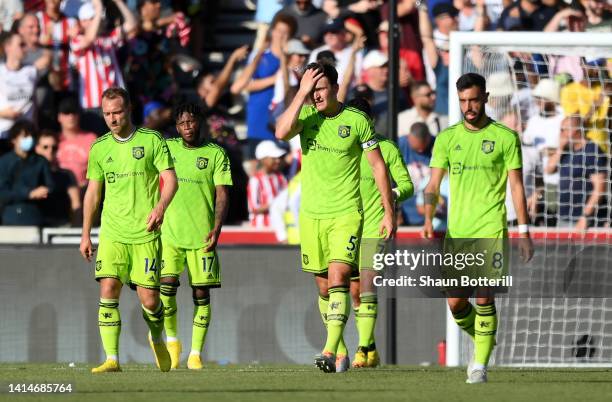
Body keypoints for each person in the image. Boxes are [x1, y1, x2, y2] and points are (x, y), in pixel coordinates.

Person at [275, 62, 395, 373]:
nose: (315, 95)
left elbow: (379, 167)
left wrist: (389, 212)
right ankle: (340, 351)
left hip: (346, 214)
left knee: (340, 277)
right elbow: (280, 131)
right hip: (312, 215)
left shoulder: (355, 121)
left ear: (336, 89)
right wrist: (300, 92)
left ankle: (328, 350)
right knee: (324, 287)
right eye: (311, 90)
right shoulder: (306, 116)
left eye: (320, 89)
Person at [423, 73, 534, 383]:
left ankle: (479, 365)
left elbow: (516, 187)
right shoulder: (447, 138)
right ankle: (485, 338)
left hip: (490, 227)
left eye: (473, 100)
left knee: (484, 297)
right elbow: (432, 183)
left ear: (485, 98)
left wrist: (523, 231)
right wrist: (428, 217)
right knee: (456, 302)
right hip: (457, 232)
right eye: (462, 101)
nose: (468, 107)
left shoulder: (505, 137)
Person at [79, 87, 178, 373]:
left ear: (129, 109)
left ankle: (157, 337)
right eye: (107, 113)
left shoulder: (152, 140)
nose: (112, 118)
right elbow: (93, 194)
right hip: (112, 233)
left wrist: (160, 207)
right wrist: (85, 233)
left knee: (149, 299)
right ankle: (112, 359)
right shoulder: (99, 147)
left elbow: (170, 181)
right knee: (108, 288)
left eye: (117, 112)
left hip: (145, 233)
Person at [159, 102, 232, 370]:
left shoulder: (216, 154)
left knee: (201, 293)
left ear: (200, 121)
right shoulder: (167, 149)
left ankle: (196, 353)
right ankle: (173, 340)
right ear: (176, 127)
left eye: (191, 121)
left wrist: (217, 227)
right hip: (170, 234)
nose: (187, 127)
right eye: (181, 123)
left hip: (202, 236)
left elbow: (222, 193)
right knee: (166, 288)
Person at [345, 97, 414, 369]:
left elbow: (408, 185)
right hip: (348, 227)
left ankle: (361, 350)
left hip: (376, 226)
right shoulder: (342, 150)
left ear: (369, 122)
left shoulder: (386, 148)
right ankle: (371, 348)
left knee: (367, 281)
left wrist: (391, 196)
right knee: (354, 292)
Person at [231, 13, 297, 161]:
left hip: (280, 126)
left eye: (285, 33)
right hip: (257, 122)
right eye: (279, 31)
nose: (281, 36)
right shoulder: (260, 56)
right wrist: (274, 79)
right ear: (272, 31)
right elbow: (241, 86)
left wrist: (285, 62)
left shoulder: (293, 59)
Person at [70, 0, 137, 134]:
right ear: (83, 22)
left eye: (100, 18)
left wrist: (119, 3)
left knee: (124, 144)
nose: (100, 20)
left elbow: (132, 25)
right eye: (93, 18)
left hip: (118, 103)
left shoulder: (109, 38)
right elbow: (88, 39)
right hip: (94, 106)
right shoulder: (78, 40)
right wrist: (99, 6)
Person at [545, 115, 608, 230]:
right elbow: (548, 170)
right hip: (565, 217)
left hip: (586, 221)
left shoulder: (592, 151)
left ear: (577, 130)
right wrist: (560, 148)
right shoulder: (566, 151)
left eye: (564, 129)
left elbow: (599, 189)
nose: (561, 133)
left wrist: (585, 217)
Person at [0, 120, 54, 225]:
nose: (29, 139)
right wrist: (29, 193)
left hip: (35, 217)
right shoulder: (4, 162)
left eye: (31, 136)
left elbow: (50, 187)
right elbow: (2, 193)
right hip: (10, 218)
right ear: (14, 139)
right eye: (24, 136)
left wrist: (45, 191)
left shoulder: (40, 161)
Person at [0, 32, 50, 138]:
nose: (25, 48)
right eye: (21, 45)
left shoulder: (30, 70)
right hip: (5, 130)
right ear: (8, 47)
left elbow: (46, 60)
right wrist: (2, 113)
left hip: (27, 131)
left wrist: (46, 44)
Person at [35, 129, 81, 226]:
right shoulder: (28, 173)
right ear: (37, 148)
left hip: (62, 227)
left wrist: (76, 230)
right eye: (45, 147)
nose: (50, 150)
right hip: (35, 225)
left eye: (54, 147)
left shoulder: (67, 174)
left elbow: (75, 204)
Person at [56, 97, 98, 191]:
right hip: (58, 193)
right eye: (66, 113)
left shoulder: (91, 138)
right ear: (59, 117)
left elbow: (97, 170)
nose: (71, 117)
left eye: (74, 113)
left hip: (85, 190)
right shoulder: (53, 140)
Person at [399, 122, 434, 226]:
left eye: (424, 146)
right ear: (408, 137)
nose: (421, 150)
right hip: (404, 216)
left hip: (431, 217)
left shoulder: (437, 144)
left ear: (429, 137)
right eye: (417, 147)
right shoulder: (399, 145)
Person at [248, 140, 288, 227]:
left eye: (279, 158)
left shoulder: (280, 177)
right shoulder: (255, 180)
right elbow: (254, 208)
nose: (278, 161)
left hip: (280, 226)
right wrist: (277, 203)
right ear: (263, 159)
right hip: (261, 228)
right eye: (273, 158)